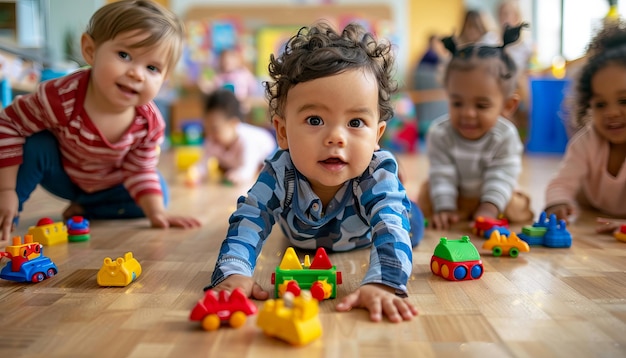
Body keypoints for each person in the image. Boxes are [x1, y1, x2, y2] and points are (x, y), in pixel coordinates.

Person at [206, 22, 424, 323]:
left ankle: (402, 195)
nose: (336, 137)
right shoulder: (279, 172)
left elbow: (389, 226)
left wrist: (384, 282)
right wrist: (233, 272)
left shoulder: (374, 172)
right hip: (305, 243)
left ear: (377, 135)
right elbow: (250, 219)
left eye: (356, 123)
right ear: (282, 132)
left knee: (403, 220)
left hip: (376, 229)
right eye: (315, 120)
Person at [0, 0, 202, 241]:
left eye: (152, 68)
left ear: (165, 78)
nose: (137, 73)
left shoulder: (149, 123)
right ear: (91, 50)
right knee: (37, 145)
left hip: (112, 184)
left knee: (158, 196)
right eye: (124, 55)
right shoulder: (61, 97)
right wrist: (6, 190)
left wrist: (158, 214)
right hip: (63, 176)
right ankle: (6, 213)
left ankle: (86, 209)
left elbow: (140, 168)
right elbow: (9, 123)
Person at [416, 23, 533, 230]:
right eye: (457, 103)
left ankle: (480, 211)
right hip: (456, 195)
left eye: (481, 105)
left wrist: (489, 208)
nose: (468, 113)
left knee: (517, 205)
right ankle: (453, 213)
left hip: (494, 196)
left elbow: (503, 173)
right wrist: (444, 206)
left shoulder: (506, 135)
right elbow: (442, 172)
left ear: (507, 106)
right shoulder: (439, 132)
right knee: (425, 197)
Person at [544, 21, 626, 233]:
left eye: (624, 101)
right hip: (592, 207)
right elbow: (561, 182)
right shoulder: (587, 141)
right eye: (600, 104)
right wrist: (558, 203)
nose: (612, 113)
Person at [195, 88, 277, 185]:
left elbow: (247, 171)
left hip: (268, 154)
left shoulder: (247, 140)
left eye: (215, 129)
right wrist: (196, 173)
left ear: (233, 124)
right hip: (236, 162)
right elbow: (202, 165)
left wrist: (238, 175)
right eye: (206, 128)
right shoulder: (212, 140)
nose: (209, 134)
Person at [197, 48, 260, 113]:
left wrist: (248, 100)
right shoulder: (219, 77)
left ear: (237, 60)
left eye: (230, 59)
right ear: (220, 62)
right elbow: (210, 89)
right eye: (224, 60)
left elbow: (253, 87)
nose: (227, 62)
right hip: (224, 109)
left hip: (240, 107)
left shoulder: (243, 74)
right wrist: (203, 80)